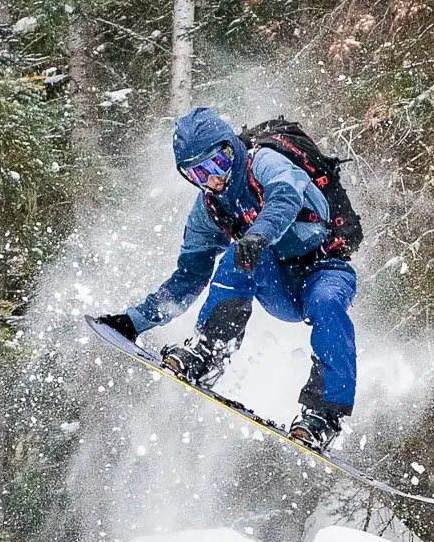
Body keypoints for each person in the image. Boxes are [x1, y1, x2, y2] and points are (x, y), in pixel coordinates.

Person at [94, 106, 357, 448]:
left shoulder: (262, 162)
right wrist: (134, 322)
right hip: (276, 284)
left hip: (326, 269)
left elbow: (286, 195)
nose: (213, 179)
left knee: (327, 303)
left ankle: (324, 414)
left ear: (232, 148)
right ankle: (209, 352)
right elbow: (190, 275)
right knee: (238, 255)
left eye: (217, 163)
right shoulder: (210, 208)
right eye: (199, 175)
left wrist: (258, 234)